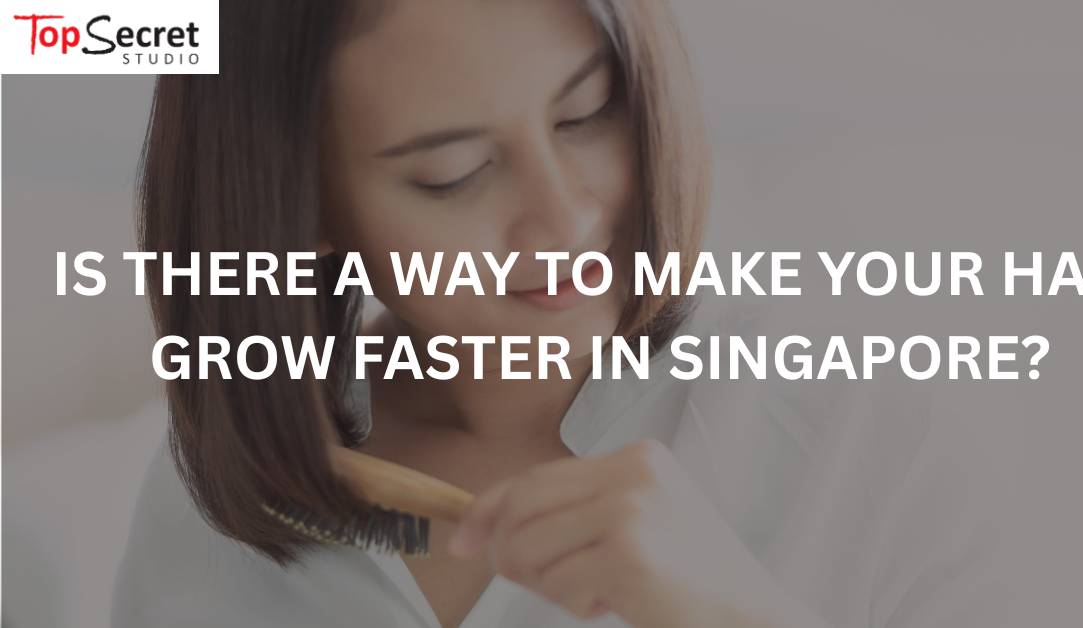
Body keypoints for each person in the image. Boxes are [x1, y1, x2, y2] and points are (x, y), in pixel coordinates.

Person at [112, 1, 1010, 626]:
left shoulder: (860, 434)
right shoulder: (213, 504)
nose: (565, 219)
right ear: (301, 208)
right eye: (455, 173)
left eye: (586, 114)